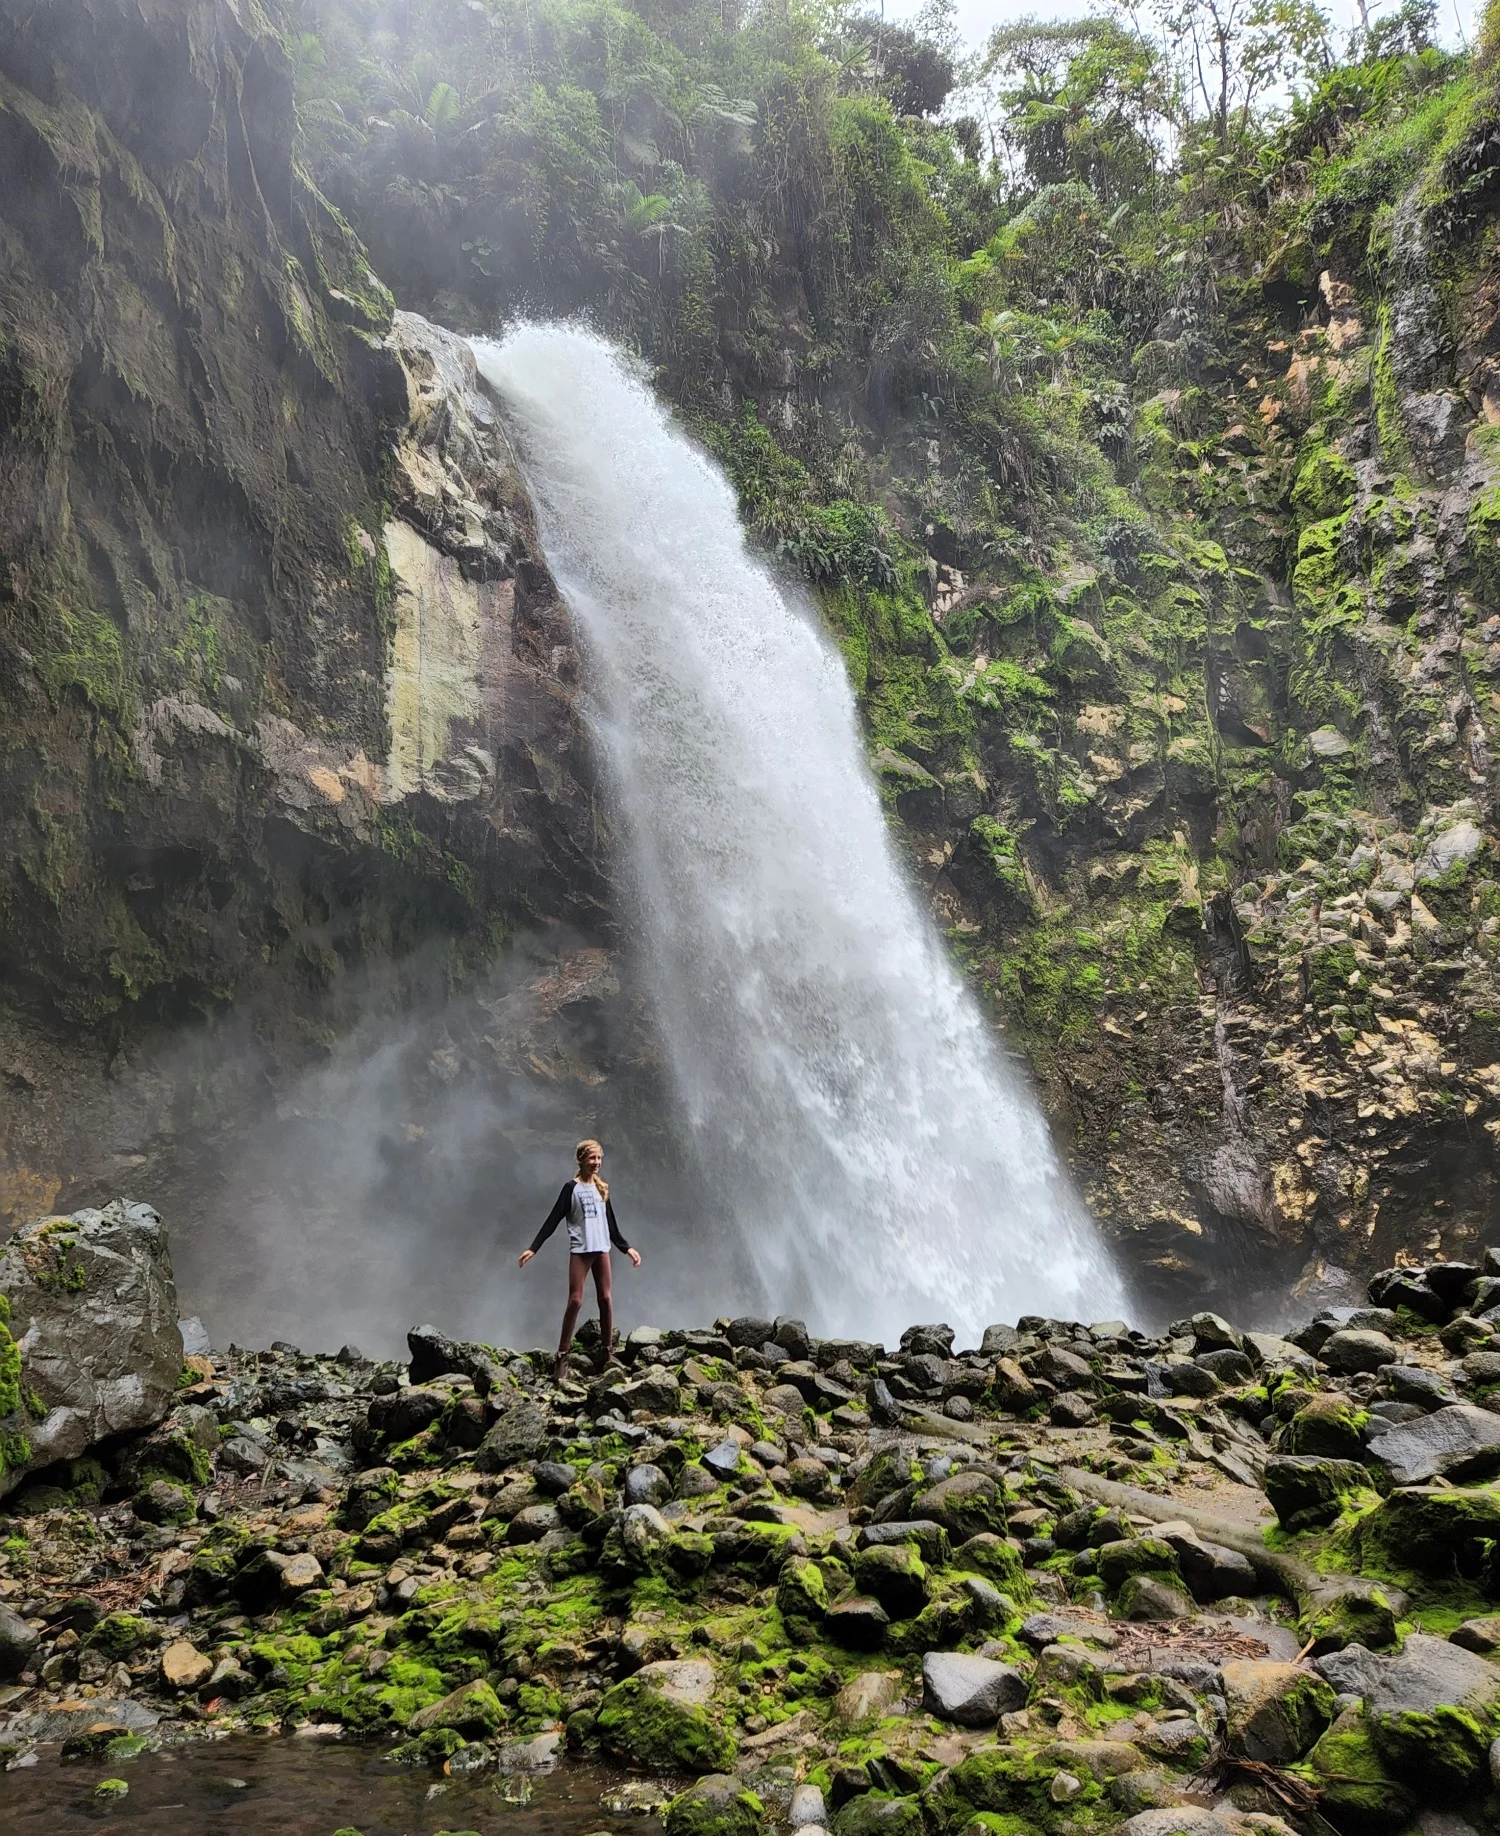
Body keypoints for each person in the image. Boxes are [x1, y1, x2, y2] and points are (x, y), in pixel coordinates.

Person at [518, 1138, 641, 1380]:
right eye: (592, 1158)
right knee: (575, 1300)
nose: (596, 1163)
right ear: (581, 1160)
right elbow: (553, 1219)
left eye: (599, 1158)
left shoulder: (601, 1188)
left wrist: (627, 1249)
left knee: (605, 1298)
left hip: (601, 1250)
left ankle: (608, 1351)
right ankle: (562, 1355)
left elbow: (612, 1225)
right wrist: (533, 1248)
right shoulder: (570, 1189)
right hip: (580, 1252)